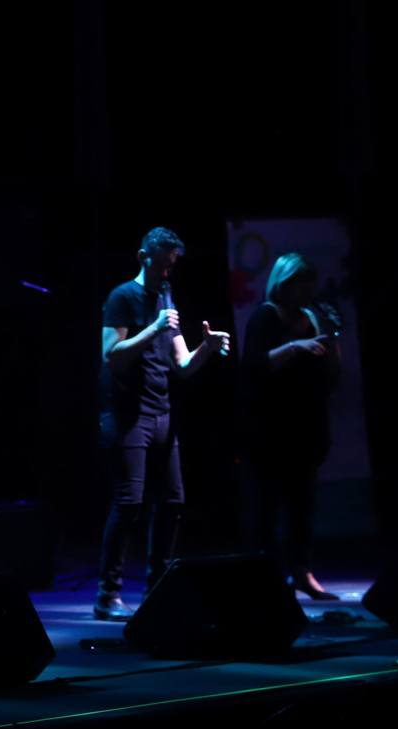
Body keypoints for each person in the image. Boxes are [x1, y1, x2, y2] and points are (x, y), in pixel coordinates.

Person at [96, 227, 230, 620]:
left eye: (172, 267)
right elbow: (111, 356)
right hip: (127, 414)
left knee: (172, 501)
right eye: (162, 265)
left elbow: (182, 365)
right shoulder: (123, 297)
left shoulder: (166, 296)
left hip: (161, 411)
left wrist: (206, 347)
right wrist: (153, 327)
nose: (167, 274)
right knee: (129, 503)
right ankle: (108, 595)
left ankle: (158, 585)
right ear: (144, 257)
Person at [239, 252, 341, 599]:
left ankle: (301, 571)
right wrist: (295, 347)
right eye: (300, 282)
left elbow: (329, 378)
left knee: (303, 508)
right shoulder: (265, 317)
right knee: (266, 509)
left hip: (307, 427)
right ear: (284, 283)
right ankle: (264, 578)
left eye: (310, 283)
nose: (306, 290)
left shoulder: (313, 316)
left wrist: (330, 348)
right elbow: (253, 366)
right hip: (270, 430)